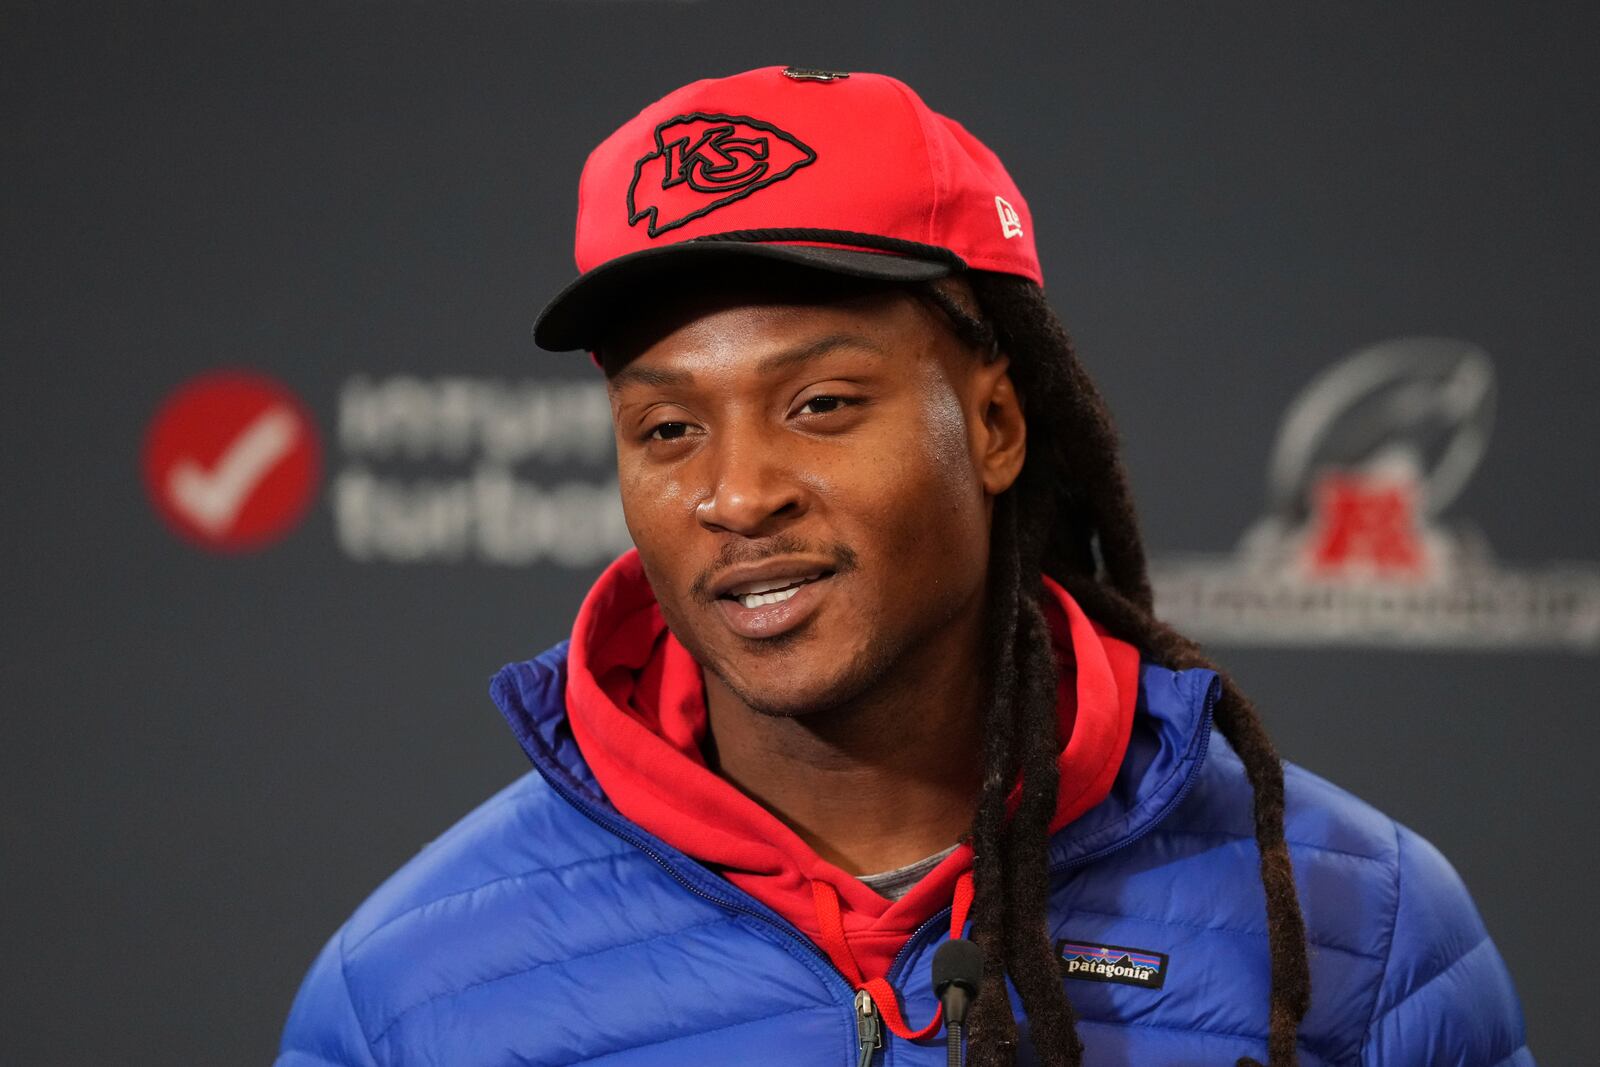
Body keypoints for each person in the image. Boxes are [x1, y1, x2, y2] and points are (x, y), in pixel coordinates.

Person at [276, 66, 1532, 1067]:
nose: (733, 491)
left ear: (993, 424)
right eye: (668, 429)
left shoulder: (1352, 928)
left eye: (820, 402)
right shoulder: (407, 996)